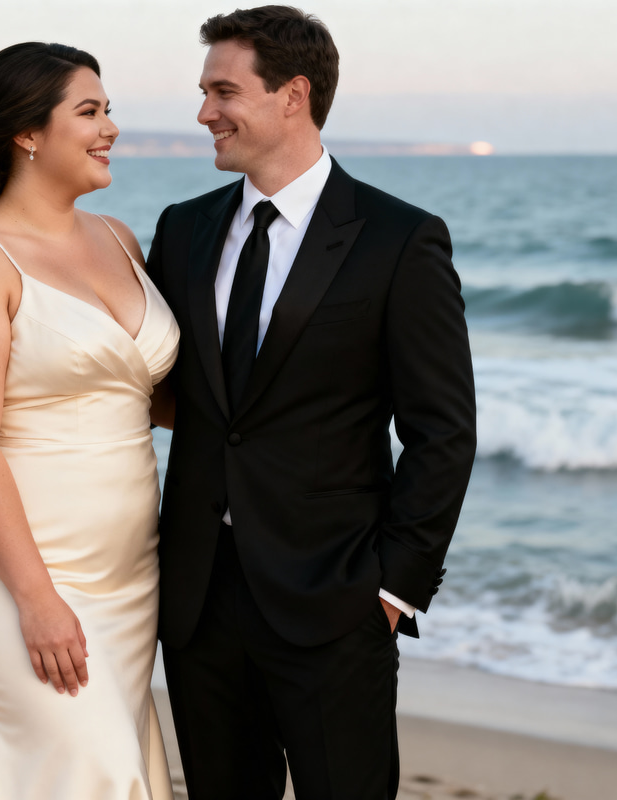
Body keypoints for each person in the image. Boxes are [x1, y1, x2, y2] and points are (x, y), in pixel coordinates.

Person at [146, 6, 476, 799]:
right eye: (202, 92)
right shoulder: (183, 231)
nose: (203, 113)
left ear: (293, 95)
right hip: (197, 601)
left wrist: (393, 590)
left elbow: (441, 430)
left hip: (337, 599)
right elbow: (162, 396)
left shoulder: (399, 239)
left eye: (223, 91)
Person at [0, 43, 178, 798]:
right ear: (26, 133)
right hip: (7, 566)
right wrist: (37, 599)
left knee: (34, 767)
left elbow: (142, 391)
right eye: (89, 111)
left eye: (109, 110)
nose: (110, 127)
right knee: (92, 766)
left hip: (127, 572)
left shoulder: (117, 238)